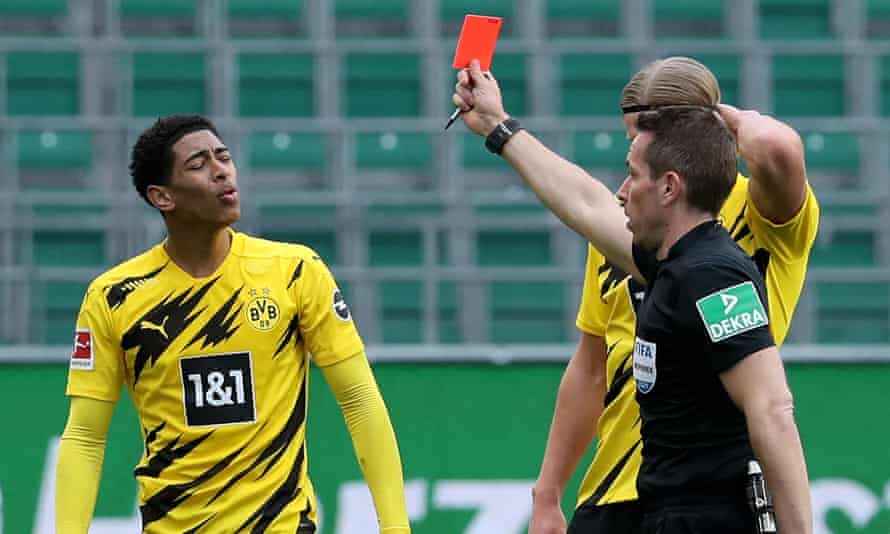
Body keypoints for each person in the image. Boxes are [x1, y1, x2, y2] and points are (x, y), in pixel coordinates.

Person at [453, 61, 816, 534]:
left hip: (707, 495)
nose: (622, 188)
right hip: (625, 491)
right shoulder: (655, 244)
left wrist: (718, 118)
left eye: (639, 151)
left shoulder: (728, 252)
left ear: (671, 180)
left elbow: (772, 409)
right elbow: (585, 207)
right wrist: (498, 128)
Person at [55, 115, 411, 533]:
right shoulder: (115, 296)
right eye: (198, 164)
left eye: (223, 157)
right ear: (162, 197)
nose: (221, 170)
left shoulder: (294, 271)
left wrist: (395, 526)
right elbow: (84, 437)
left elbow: (359, 400)